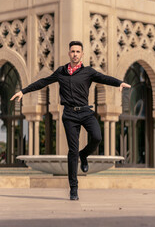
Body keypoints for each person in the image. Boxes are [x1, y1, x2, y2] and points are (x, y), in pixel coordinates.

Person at [10, 41, 131, 200]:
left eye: (78, 51)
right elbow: (43, 82)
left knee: (97, 137)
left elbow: (104, 78)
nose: (75, 54)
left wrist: (118, 83)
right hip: (69, 115)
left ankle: (84, 154)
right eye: (72, 51)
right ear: (69, 53)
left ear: (82, 54)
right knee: (72, 151)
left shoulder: (88, 72)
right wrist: (23, 91)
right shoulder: (61, 71)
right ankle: (73, 189)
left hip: (86, 112)